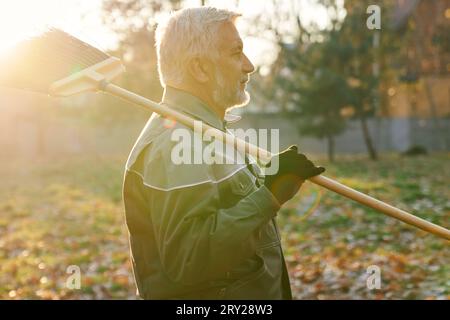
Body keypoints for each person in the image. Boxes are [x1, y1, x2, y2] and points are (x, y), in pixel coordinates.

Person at [122, 6, 325, 300]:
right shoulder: (176, 142)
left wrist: (271, 176)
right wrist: (269, 193)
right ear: (200, 68)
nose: (249, 65)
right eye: (235, 52)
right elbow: (190, 259)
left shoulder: (208, 130)